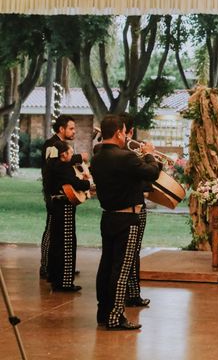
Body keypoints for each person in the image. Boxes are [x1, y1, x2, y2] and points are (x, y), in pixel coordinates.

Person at [90, 114, 160, 330]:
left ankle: (103, 312)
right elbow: (153, 173)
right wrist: (149, 154)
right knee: (122, 269)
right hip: (128, 219)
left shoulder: (97, 157)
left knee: (106, 266)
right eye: (123, 132)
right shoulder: (125, 157)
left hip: (108, 216)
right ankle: (115, 316)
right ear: (119, 132)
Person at [40, 114, 88, 280]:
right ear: (61, 129)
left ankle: (61, 268)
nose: (74, 131)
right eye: (71, 128)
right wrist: (79, 157)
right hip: (54, 194)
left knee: (60, 233)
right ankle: (46, 266)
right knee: (52, 231)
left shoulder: (61, 145)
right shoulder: (51, 144)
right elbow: (53, 165)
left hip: (64, 194)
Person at [45, 142, 91, 291]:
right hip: (64, 207)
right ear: (63, 154)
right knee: (67, 244)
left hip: (56, 206)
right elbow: (74, 183)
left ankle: (54, 277)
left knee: (57, 243)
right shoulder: (63, 167)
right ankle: (64, 283)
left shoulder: (52, 165)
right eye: (70, 153)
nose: (71, 156)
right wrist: (87, 182)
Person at [120, 113, 152, 308]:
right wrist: (149, 156)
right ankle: (131, 294)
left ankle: (130, 292)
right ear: (129, 131)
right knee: (132, 252)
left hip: (116, 210)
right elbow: (148, 181)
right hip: (134, 208)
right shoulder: (131, 155)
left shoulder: (106, 152)